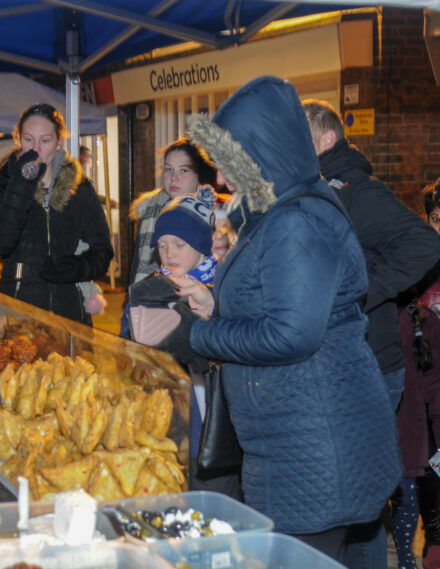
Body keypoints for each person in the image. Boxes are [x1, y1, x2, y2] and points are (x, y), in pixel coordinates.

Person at [159, 76, 402, 562]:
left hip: (316, 446)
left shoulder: (296, 220)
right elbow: (279, 302)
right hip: (296, 439)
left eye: (228, 167)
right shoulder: (278, 212)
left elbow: (292, 334)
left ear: (261, 155)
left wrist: (206, 332)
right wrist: (216, 302)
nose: (222, 181)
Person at [302, 99, 440, 569]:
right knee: (347, 492)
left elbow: (424, 244)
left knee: (359, 496)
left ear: (326, 140)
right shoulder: (318, 190)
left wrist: (359, 291)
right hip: (345, 361)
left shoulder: (353, 190)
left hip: (371, 365)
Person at [126, 187, 240, 498]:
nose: (169, 253)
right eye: (162, 245)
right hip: (170, 418)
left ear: (202, 246)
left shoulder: (224, 289)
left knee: (216, 496)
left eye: (179, 244)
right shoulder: (148, 290)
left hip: (217, 425)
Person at [0, 103, 113, 328]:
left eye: (45, 140)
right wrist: (21, 184)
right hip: (16, 309)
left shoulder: (79, 188)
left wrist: (74, 267)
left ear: (59, 142)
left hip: (69, 313)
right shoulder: (3, 182)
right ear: (18, 140)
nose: (36, 149)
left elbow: (102, 251)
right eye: (28, 140)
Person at [120, 138, 216, 338]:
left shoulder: (214, 220)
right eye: (168, 170)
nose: (174, 178)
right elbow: (139, 267)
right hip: (145, 307)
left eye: (184, 170)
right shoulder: (151, 210)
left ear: (199, 175)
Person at [391, 296, 440, 569]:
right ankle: (410, 557)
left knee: (408, 497)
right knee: (407, 499)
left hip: (411, 434)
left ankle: (426, 545)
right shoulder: (422, 320)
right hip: (413, 434)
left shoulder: (422, 321)